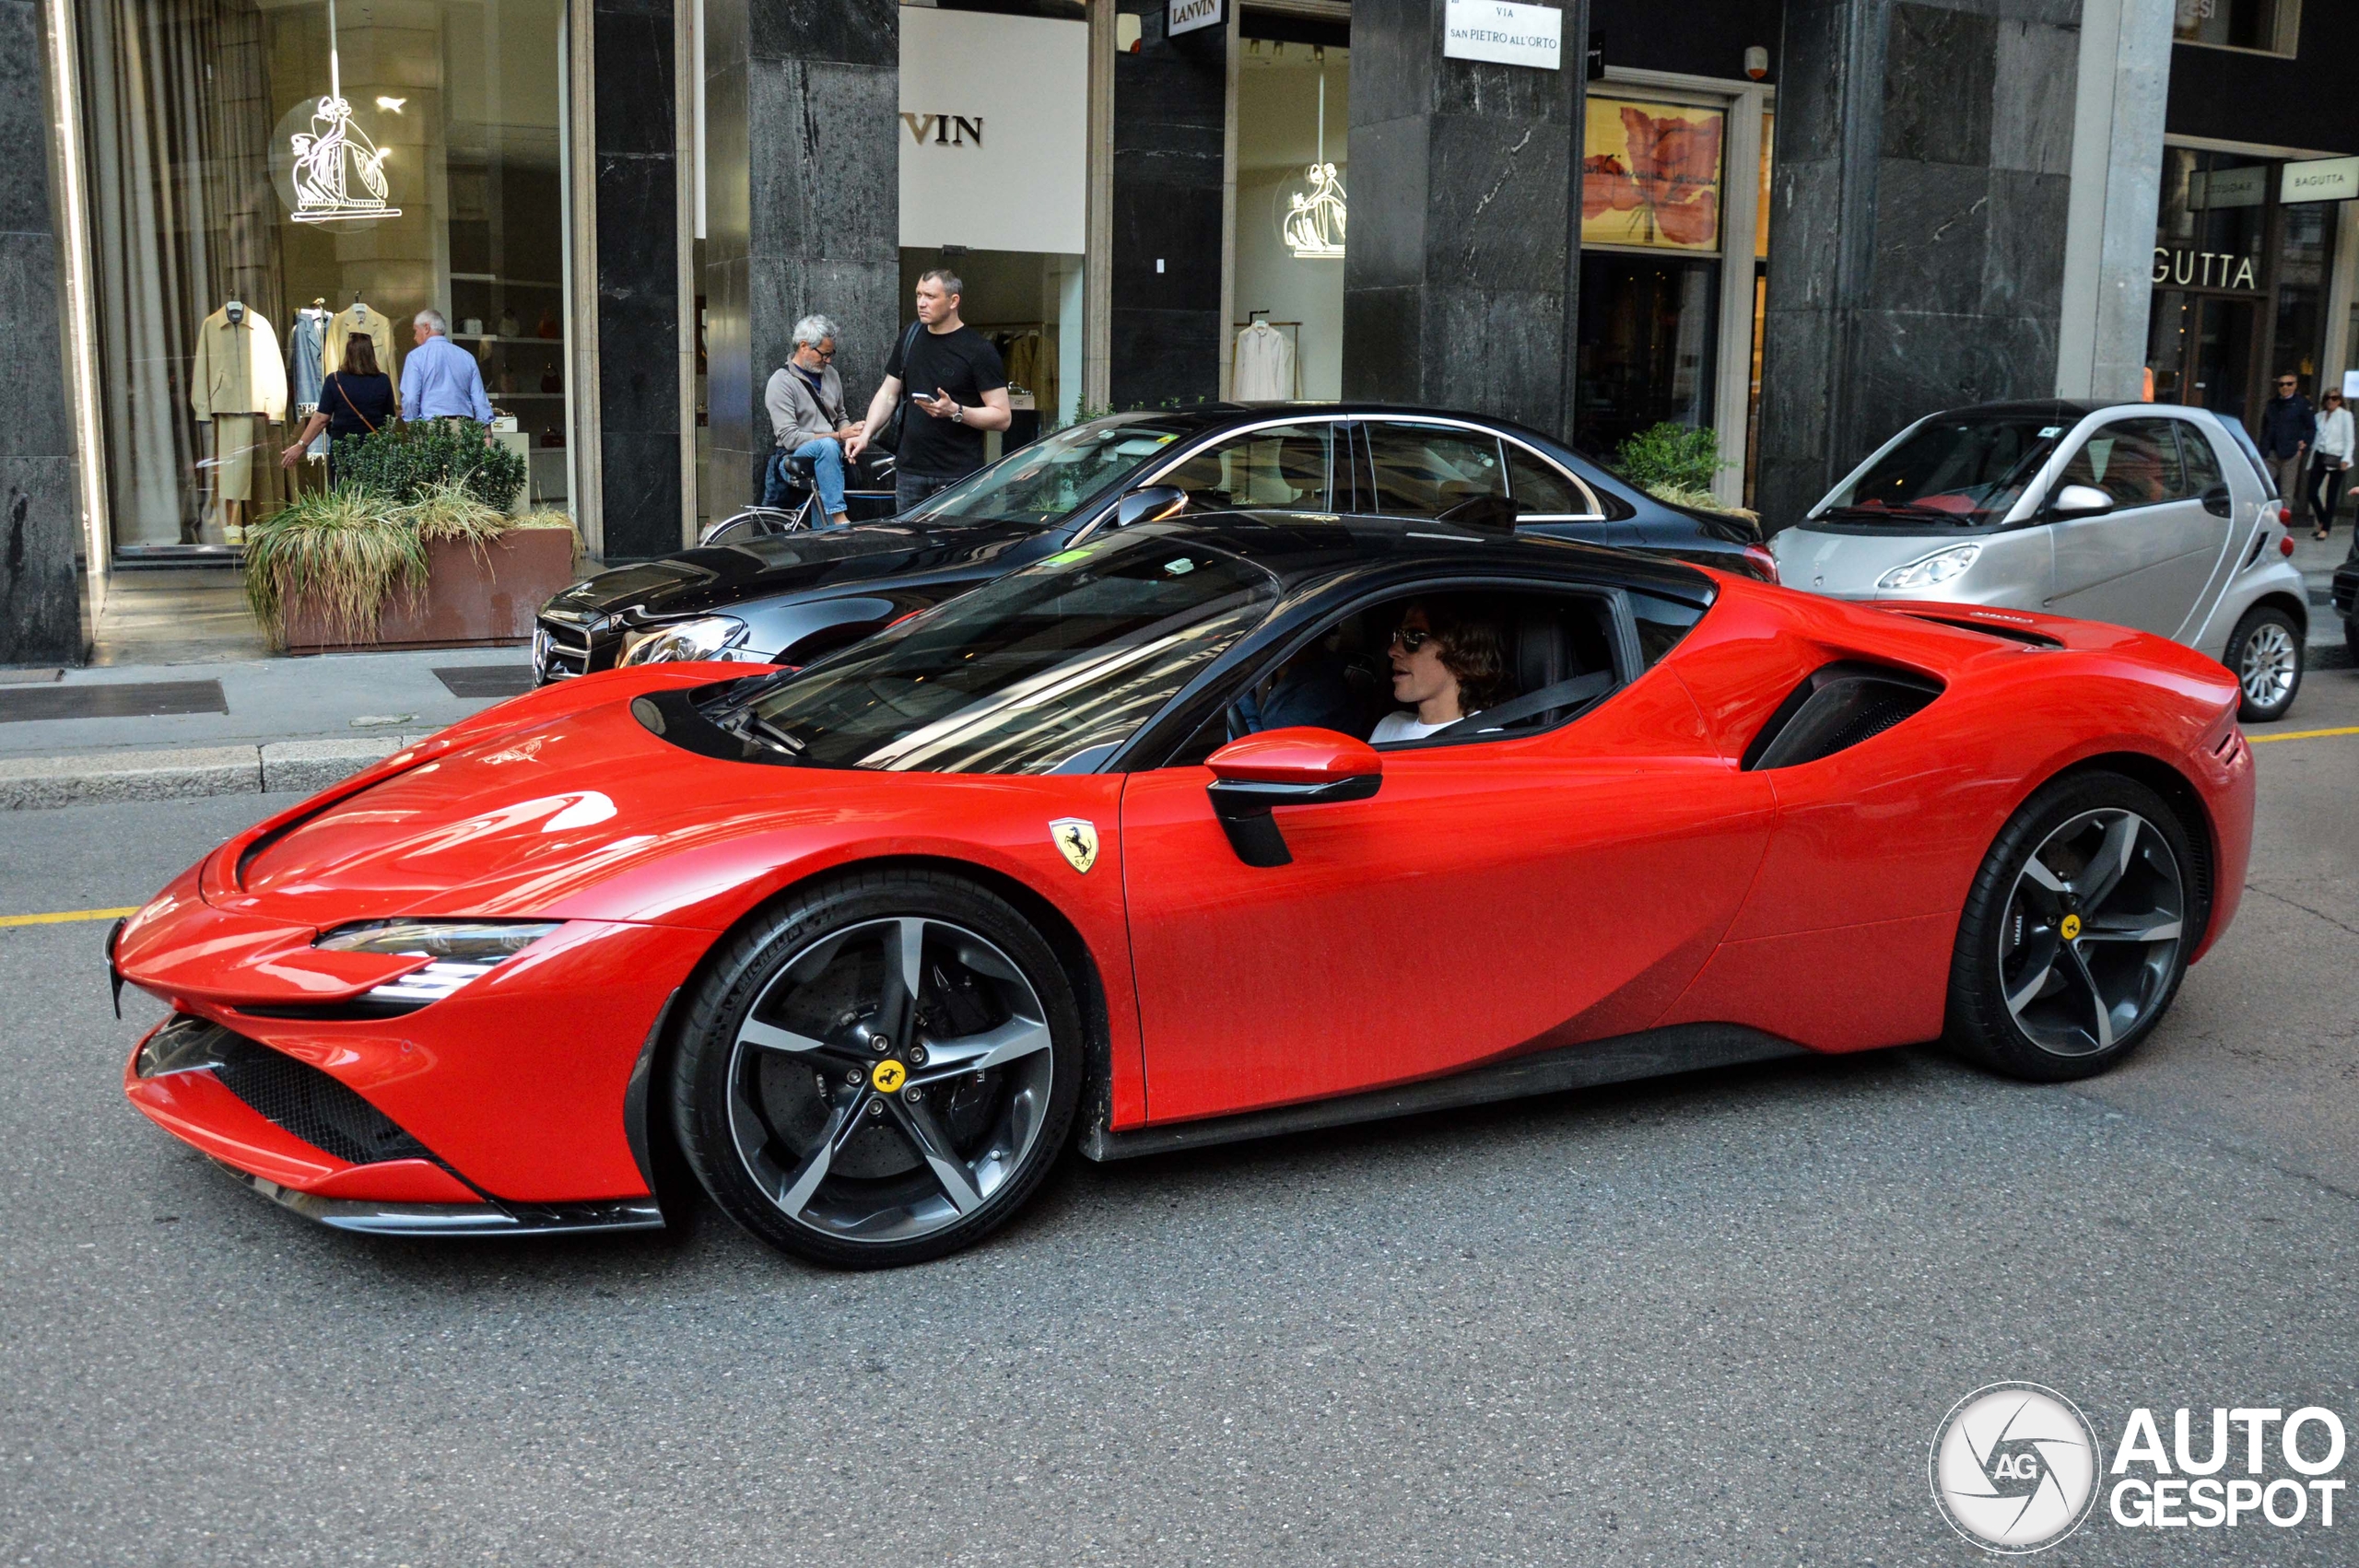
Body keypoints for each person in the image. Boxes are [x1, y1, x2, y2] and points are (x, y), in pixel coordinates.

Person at [847, 268, 1012, 512]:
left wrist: (956, 411)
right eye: (918, 295)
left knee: (954, 549)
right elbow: (888, 393)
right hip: (909, 473)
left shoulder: (979, 350)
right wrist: (866, 434)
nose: (921, 303)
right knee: (911, 548)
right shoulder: (910, 336)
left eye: (930, 296)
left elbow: (1002, 417)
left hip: (958, 478)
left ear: (954, 300)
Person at [763, 314, 864, 527]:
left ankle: (825, 541)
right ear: (803, 346)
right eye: (824, 354)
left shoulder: (831, 375)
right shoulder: (781, 382)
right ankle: (839, 517)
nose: (828, 360)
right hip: (793, 456)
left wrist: (851, 435)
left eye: (831, 354)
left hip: (831, 456)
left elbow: (841, 417)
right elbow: (790, 439)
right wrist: (837, 437)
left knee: (830, 448)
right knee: (827, 445)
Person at [1371, 601, 1506, 743]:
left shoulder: (1488, 745)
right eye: (1398, 634)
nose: (1393, 651)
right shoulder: (1389, 725)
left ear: (1462, 656)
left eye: (1413, 637)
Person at [278, 333, 395, 483]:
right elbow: (389, 418)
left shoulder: (334, 380)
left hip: (343, 448)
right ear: (371, 354)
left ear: (348, 354)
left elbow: (321, 419)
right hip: (375, 448)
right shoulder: (383, 380)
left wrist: (301, 445)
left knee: (343, 494)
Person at [400, 309, 494, 426]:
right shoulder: (466, 357)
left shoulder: (415, 357)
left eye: (416, 331)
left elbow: (410, 399)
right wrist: (486, 430)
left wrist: (412, 424)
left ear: (426, 328)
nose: (415, 337)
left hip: (431, 425)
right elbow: (479, 398)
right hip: (463, 425)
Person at [2260, 373, 2313, 527]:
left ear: (2295, 385)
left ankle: (2283, 526)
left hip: (2290, 453)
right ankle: (2265, 522)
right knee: (2264, 487)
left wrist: (2304, 445)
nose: (2285, 387)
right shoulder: (2272, 404)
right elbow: (2265, 427)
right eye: (2281, 384)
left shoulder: (2302, 404)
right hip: (2270, 452)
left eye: (2289, 384)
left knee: (2287, 493)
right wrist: (2264, 446)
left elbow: (2311, 428)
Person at [2308, 388, 2353, 541]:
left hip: (2337, 457)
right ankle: (2322, 520)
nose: (2331, 401)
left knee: (2331, 495)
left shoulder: (2345, 416)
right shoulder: (2319, 416)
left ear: (2339, 400)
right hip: (2320, 455)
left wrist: (2346, 459)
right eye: (2328, 398)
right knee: (2311, 492)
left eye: (2334, 398)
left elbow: (2349, 439)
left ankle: (2325, 529)